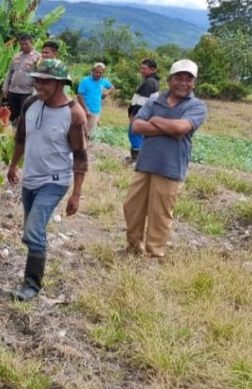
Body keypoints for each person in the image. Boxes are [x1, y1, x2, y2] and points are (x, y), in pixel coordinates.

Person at [6, 59, 88, 301]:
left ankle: (31, 285)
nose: (39, 85)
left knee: (33, 230)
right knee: (32, 230)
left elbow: (80, 156)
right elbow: (21, 137)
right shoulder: (31, 104)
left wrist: (76, 193)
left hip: (54, 181)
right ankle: (33, 271)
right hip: (30, 178)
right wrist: (13, 165)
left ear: (61, 83)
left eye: (46, 82)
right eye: (37, 80)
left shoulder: (74, 114)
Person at [123, 59, 206, 258]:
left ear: (194, 83)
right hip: (145, 163)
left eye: (188, 79)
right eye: (178, 78)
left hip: (171, 166)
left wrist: (155, 120)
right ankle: (134, 248)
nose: (183, 83)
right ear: (169, 80)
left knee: (160, 214)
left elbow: (180, 129)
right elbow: (137, 126)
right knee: (131, 207)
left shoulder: (197, 106)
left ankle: (154, 254)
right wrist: (168, 127)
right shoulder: (155, 100)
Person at [126, 59, 160, 164]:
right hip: (145, 115)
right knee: (139, 135)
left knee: (134, 133)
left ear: (153, 69)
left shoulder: (149, 83)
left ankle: (136, 160)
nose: (141, 70)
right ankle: (137, 158)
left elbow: (142, 102)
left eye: (144, 68)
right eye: (141, 68)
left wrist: (134, 116)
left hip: (140, 115)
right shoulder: (151, 81)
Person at [2, 34, 40, 125]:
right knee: (12, 114)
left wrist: (35, 92)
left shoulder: (37, 57)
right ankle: (13, 134)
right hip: (13, 91)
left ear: (32, 43)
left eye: (26, 44)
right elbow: (10, 72)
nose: (24, 46)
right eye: (22, 44)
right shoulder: (16, 56)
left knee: (24, 115)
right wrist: (5, 88)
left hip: (27, 92)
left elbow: (39, 76)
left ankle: (22, 135)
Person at [76, 62, 115, 136]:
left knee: (89, 133)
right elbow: (79, 96)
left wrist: (106, 93)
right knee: (80, 131)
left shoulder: (103, 81)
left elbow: (112, 87)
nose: (98, 74)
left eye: (100, 73)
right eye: (96, 72)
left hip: (96, 110)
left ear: (103, 73)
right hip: (84, 109)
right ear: (92, 71)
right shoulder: (85, 81)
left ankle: (84, 146)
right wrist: (86, 109)